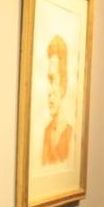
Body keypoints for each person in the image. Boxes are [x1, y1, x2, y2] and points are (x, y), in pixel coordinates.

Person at [42, 34, 73, 164]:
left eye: (52, 80)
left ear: (63, 84)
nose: (49, 92)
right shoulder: (47, 133)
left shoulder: (71, 135)